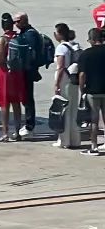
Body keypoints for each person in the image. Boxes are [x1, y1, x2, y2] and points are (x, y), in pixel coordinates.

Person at [0, 12, 26, 143]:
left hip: (5, 73)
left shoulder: (3, 39)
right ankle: (17, 132)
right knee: (16, 103)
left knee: (4, 104)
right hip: (17, 72)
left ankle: (5, 133)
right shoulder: (18, 37)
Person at [52, 23, 82, 151]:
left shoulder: (61, 48)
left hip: (64, 79)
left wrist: (57, 84)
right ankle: (75, 139)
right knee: (73, 110)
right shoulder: (75, 46)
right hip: (74, 79)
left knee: (64, 110)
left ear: (59, 34)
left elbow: (60, 67)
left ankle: (64, 140)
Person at [13, 12, 42, 138]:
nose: (16, 24)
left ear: (25, 20)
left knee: (28, 98)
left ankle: (30, 126)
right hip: (24, 69)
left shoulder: (30, 34)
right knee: (25, 97)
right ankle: (28, 124)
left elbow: (29, 52)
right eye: (15, 22)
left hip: (28, 70)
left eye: (18, 21)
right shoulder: (25, 32)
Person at [79, 28, 105, 155]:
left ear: (92, 39)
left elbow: (82, 74)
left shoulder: (86, 54)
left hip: (92, 90)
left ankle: (94, 146)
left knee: (94, 120)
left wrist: (81, 88)